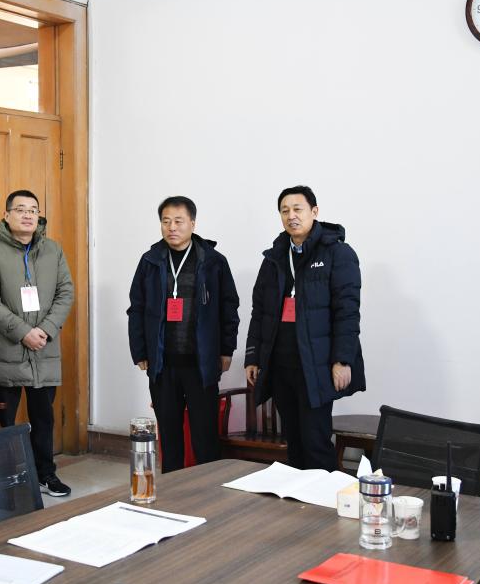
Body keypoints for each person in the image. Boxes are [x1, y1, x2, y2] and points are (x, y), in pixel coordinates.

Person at [245, 185, 365, 471]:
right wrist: (253, 357)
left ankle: (324, 497)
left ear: (314, 211)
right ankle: (298, 497)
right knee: (294, 442)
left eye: (297, 209)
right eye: (284, 211)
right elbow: (259, 311)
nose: (291, 216)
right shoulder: (274, 257)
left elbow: (347, 312)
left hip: (317, 365)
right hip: (281, 364)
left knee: (315, 441)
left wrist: (342, 360)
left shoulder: (338, 253)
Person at [127, 196, 240, 473]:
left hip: (201, 363)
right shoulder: (150, 261)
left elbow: (229, 308)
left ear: (193, 223)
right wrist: (140, 351)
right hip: (163, 363)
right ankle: (171, 487)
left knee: (204, 434)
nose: (172, 228)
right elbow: (137, 308)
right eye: (166, 221)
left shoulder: (213, 261)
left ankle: (207, 486)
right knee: (169, 434)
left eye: (178, 221)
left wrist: (226, 350)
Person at [0, 190, 74, 496]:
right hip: (8, 350)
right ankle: (3, 479)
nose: (28, 215)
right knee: (3, 419)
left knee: (43, 418)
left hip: (44, 348)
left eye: (33, 209)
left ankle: (46, 474)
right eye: (20, 209)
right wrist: (22, 332)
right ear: (7, 215)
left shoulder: (53, 250)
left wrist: (45, 329)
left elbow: (65, 293)